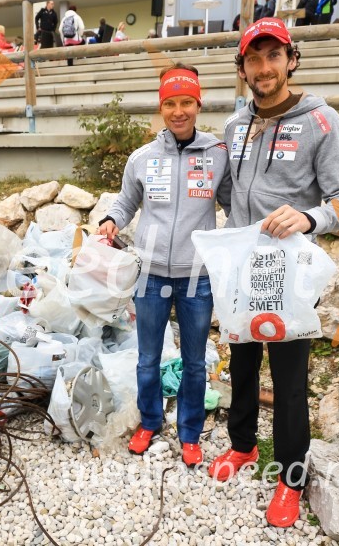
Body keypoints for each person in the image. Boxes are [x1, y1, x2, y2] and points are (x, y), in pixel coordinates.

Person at [208, 18, 339, 528]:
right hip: (243, 268)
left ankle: (291, 477)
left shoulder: (322, 121)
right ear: (243, 67)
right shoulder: (234, 126)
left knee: (289, 378)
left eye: (274, 56)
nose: (264, 67)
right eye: (254, 58)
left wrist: (308, 217)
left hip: (289, 273)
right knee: (243, 363)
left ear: (291, 60)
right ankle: (244, 446)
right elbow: (227, 190)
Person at [98, 62, 232, 463]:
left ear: (198, 104)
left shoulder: (217, 154)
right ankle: (150, 421)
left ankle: (190, 432)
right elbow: (125, 202)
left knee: (194, 361)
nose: (179, 111)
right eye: (170, 103)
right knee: (147, 359)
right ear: (161, 107)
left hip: (198, 278)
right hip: (151, 276)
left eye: (186, 102)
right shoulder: (142, 158)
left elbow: (234, 204)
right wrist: (110, 220)